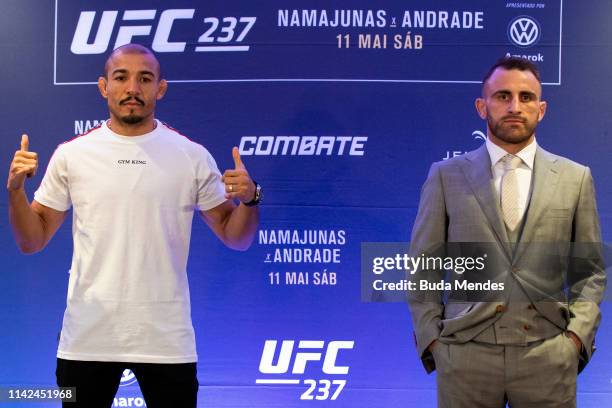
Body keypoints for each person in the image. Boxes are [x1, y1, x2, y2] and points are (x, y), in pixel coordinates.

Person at [7, 44, 262, 407]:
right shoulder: (72, 154)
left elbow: (236, 237)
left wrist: (252, 198)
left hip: (166, 342)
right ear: (103, 86)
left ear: (160, 88)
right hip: (86, 339)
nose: (132, 89)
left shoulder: (190, 156)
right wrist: (16, 191)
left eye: (145, 79)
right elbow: (31, 240)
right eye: (121, 77)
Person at [407, 56, 606, 407]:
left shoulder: (576, 178)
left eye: (526, 97)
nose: (515, 106)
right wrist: (433, 342)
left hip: (548, 355)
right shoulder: (445, 176)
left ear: (541, 109)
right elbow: (423, 267)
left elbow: (589, 272)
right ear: (482, 106)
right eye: (503, 96)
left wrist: (575, 338)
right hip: (465, 358)